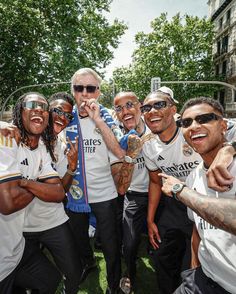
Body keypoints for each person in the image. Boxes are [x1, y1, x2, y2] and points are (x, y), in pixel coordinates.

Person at [141, 86, 236, 293]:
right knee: (165, 254)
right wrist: (150, 220)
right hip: (177, 203)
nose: (194, 126)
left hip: (184, 193)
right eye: (187, 123)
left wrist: (229, 148)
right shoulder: (149, 146)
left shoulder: (193, 140)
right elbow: (155, 182)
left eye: (204, 119)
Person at [66, 68, 124, 294]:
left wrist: (97, 119)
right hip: (75, 193)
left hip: (105, 193)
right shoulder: (64, 116)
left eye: (91, 88)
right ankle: (88, 264)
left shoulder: (107, 117)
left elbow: (119, 153)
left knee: (110, 244)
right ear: (73, 91)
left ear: (98, 92)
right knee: (79, 239)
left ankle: (114, 282)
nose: (85, 93)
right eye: (79, 88)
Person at [0, 92, 63, 293]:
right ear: (20, 111)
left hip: (16, 249)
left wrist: (26, 182)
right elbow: (8, 203)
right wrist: (38, 185)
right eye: (32, 104)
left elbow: (58, 192)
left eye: (44, 107)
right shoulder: (6, 138)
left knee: (50, 280)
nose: (39, 109)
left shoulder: (41, 148)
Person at [112, 91, 149, 294]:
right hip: (133, 194)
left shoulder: (156, 127)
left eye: (129, 105)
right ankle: (130, 273)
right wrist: (130, 154)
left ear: (140, 106)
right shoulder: (115, 137)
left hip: (160, 192)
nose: (125, 111)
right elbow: (121, 187)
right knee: (130, 241)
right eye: (119, 108)